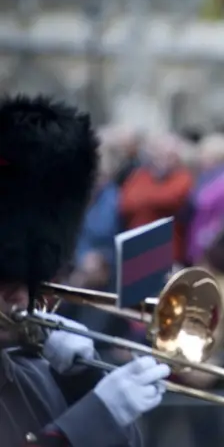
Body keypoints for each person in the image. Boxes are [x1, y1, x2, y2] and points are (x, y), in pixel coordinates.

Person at [0, 94, 170, 446]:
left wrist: (82, 383)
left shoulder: (36, 372)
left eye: (26, 281)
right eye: (3, 283)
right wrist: (94, 417)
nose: (19, 296)